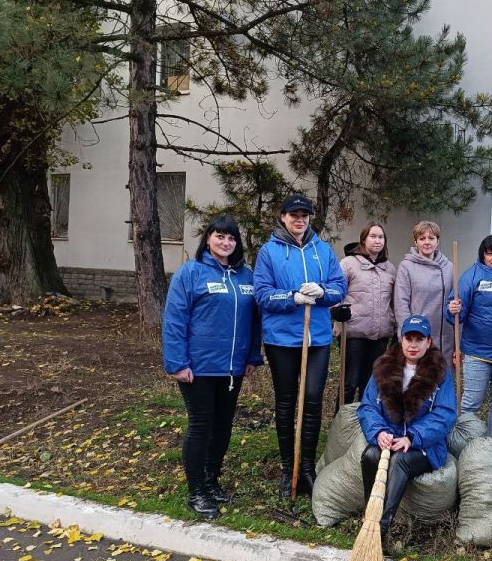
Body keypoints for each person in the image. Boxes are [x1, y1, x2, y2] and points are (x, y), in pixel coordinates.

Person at [162, 215, 263, 519]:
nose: (225, 242)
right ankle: (196, 493)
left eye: (231, 238)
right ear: (208, 239)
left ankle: (210, 481)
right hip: (199, 368)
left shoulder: (247, 276)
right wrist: (177, 363)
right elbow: (174, 320)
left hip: (232, 368)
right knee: (201, 426)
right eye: (220, 236)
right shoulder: (190, 273)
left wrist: (252, 357)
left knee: (222, 426)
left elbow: (254, 320)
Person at [254, 194, 347, 497]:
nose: (300, 219)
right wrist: (292, 296)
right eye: (294, 214)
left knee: (312, 400)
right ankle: (287, 468)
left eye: (305, 215)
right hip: (282, 339)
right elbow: (263, 295)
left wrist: (323, 291)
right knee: (286, 402)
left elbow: (339, 288)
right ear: (282, 217)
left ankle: (306, 467)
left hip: (317, 338)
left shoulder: (322, 250)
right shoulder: (269, 252)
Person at [356, 315, 457, 547]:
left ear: (428, 342)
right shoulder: (384, 368)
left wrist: (413, 437)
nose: (413, 345)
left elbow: (445, 415)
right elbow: (367, 407)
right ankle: (369, 518)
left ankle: (380, 530)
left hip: (425, 446)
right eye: (408, 338)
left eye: (419, 339)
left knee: (400, 460)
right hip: (389, 438)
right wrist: (379, 431)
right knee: (370, 455)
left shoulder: (440, 373)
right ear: (401, 340)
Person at [445, 234, 492, 442]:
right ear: (483, 256)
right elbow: (457, 316)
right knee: (471, 403)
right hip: (477, 352)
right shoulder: (472, 276)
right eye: (490, 253)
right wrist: (452, 309)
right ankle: (464, 445)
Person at [336, 222, 397, 405]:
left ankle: (364, 423)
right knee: (349, 381)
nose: (377, 240)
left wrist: (395, 327)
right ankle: (342, 422)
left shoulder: (390, 269)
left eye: (381, 237)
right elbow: (337, 292)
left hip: (380, 335)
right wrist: (337, 314)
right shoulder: (348, 264)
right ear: (363, 239)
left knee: (370, 382)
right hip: (353, 333)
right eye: (373, 236)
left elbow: (393, 302)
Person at [393, 221, 455, 366]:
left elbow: (454, 299)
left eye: (431, 238)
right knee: (419, 381)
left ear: (437, 241)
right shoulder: (406, 266)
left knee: (441, 380)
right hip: (417, 335)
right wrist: (406, 334)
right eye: (422, 239)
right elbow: (401, 303)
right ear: (416, 242)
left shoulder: (449, 267)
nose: (427, 242)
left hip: (443, 335)